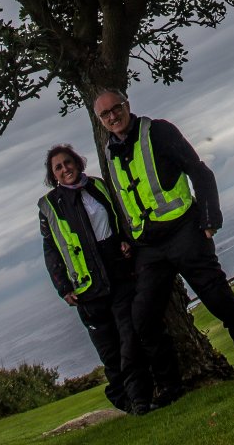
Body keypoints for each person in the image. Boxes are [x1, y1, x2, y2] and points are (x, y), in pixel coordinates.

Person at [93, 88, 234, 403]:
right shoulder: (110, 151)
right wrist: (129, 240)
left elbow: (199, 171)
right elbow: (124, 199)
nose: (112, 116)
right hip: (149, 246)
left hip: (184, 231)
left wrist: (210, 218)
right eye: (105, 114)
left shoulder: (157, 130)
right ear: (100, 120)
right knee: (143, 318)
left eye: (115, 108)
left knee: (218, 299)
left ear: (126, 105)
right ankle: (171, 385)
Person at [38, 144, 153, 415]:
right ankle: (121, 397)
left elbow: (118, 219)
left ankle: (139, 401)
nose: (65, 169)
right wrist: (62, 287)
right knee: (110, 352)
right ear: (53, 175)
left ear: (77, 162)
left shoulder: (98, 187)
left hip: (118, 274)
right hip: (87, 287)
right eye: (58, 167)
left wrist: (126, 242)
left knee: (130, 340)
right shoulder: (49, 206)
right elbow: (51, 248)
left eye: (68, 162)